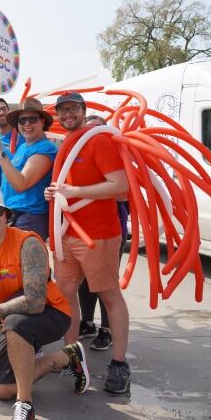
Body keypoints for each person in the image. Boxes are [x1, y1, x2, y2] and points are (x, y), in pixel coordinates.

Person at [0, 188, 89, 420]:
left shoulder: (28, 243)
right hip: (11, 319)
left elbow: (35, 302)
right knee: (2, 389)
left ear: (7, 215)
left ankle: (24, 404)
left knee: (16, 324)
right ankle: (67, 356)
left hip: (51, 313)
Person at [44, 91, 131, 394]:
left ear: (83, 110)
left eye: (72, 109)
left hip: (98, 235)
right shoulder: (67, 144)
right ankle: (73, 358)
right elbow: (68, 188)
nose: (67, 114)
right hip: (67, 234)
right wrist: (56, 194)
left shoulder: (98, 139)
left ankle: (119, 364)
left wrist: (73, 190)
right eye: (62, 110)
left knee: (109, 296)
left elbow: (120, 187)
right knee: (66, 296)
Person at [77, 114, 129, 351]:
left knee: (106, 284)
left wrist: (82, 191)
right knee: (85, 282)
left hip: (107, 228)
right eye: (89, 131)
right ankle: (86, 322)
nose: (93, 135)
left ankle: (106, 330)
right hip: (80, 231)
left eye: (99, 130)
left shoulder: (116, 156)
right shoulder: (80, 155)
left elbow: (122, 192)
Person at [0, 98, 58, 241]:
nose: (27, 124)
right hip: (12, 216)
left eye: (32, 119)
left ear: (43, 122)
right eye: (22, 120)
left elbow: (21, 184)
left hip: (29, 219)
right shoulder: (23, 147)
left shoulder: (46, 148)